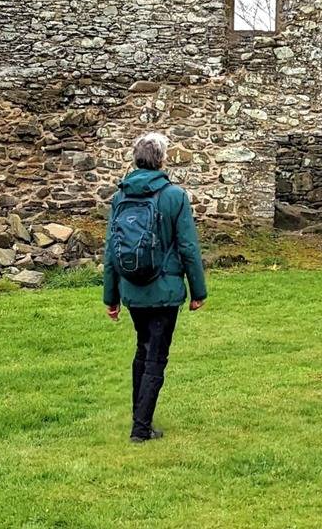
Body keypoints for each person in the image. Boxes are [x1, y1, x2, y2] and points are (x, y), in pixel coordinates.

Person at [102, 132, 207, 443]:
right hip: (165, 289)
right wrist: (198, 290)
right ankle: (140, 428)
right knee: (156, 356)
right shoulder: (174, 196)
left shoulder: (121, 196)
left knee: (142, 349)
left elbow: (111, 250)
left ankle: (140, 418)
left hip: (132, 287)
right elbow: (188, 246)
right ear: (162, 159)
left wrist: (111, 297)